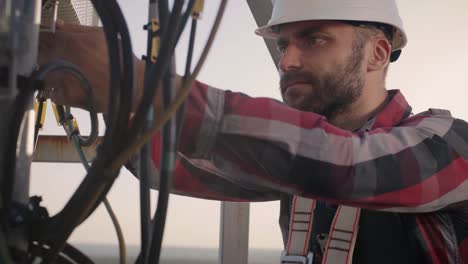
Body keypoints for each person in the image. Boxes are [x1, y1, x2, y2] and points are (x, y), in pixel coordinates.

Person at [39, 0, 468, 263]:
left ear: (377, 54)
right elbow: (166, 166)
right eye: (284, 44)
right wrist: (107, 98)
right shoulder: (294, 168)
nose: (288, 61)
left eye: (314, 39)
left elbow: (348, 166)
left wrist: (136, 86)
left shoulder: (450, 144)